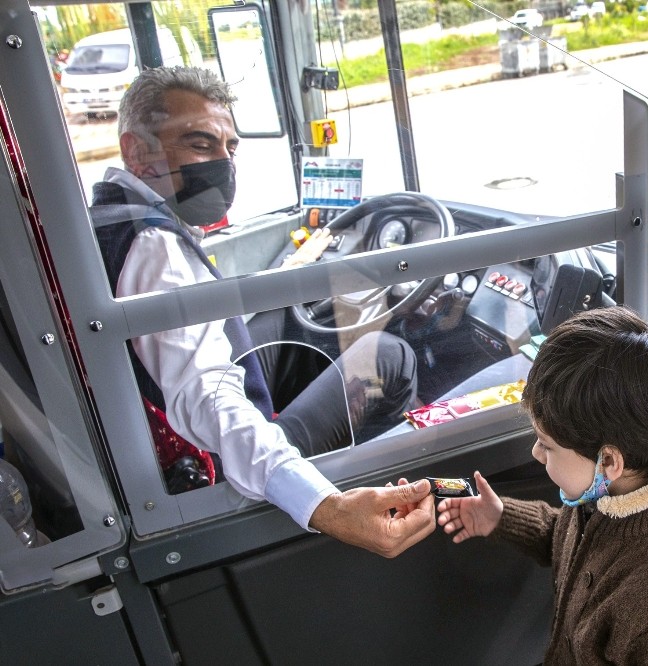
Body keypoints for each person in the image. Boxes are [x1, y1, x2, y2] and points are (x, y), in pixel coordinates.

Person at [90, 65, 434, 557]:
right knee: (388, 354)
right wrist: (325, 506)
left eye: (230, 149)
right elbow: (203, 394)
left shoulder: (107, 216)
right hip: (213, 463)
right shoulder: (155, 246)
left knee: (291, 322)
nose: (223, 164)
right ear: (136, 150)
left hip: (150, 420)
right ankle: (379, 494)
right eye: (200, 144)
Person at [436, 306, 648, 664]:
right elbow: (574, 543)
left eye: (547, 444)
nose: (536, 453)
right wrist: (501, 516)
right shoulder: (609, 498)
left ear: (609, 461)